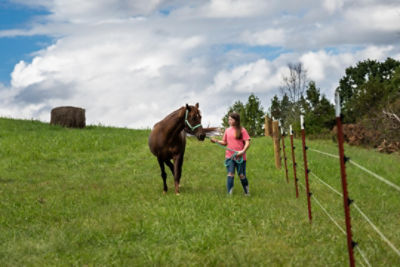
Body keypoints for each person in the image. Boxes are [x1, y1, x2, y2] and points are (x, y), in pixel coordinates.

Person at [211, 112, 251, 195]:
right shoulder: (227, 130)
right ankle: (229, 194)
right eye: (228, 119)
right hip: (230, 157)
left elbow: (247, 143)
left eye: (231, 119)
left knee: (241, 175)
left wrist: (242, 151)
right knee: (230, 174)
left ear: (236, 121)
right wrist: (216, 141)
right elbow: (225, 142)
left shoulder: (242, 130)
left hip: (240, 157)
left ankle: (247, 192)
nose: (229, 121)